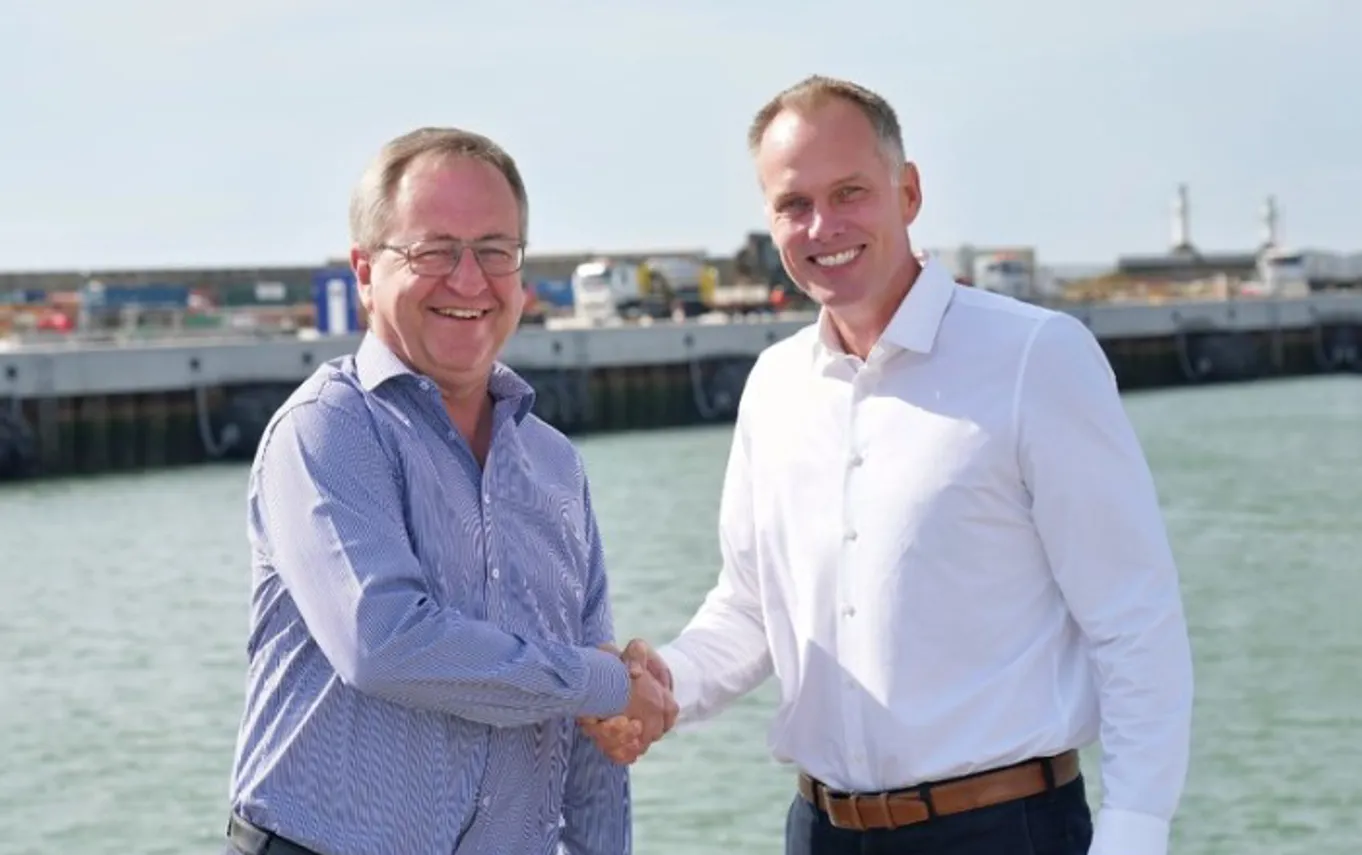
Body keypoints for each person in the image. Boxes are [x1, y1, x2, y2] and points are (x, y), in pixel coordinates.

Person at [585, 76, 1196, 855]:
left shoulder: (1036, 358)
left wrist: (1134, 835)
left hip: (1005, 831)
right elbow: (750, 607)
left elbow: (1134, 620)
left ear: (907, 192)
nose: (822, 225)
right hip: (819, 833)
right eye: (792, 204)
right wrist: (659, 685)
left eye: (849, 192)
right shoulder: (774, 385)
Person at [222, 126, 675, 855]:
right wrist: (603, 680)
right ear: (365, 272)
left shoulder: (555, 464)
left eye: (495, 251)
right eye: (433, 251)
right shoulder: (328, 430)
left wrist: (606, 700)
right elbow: (387, 641)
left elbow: (588, 733)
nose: (469, 280)